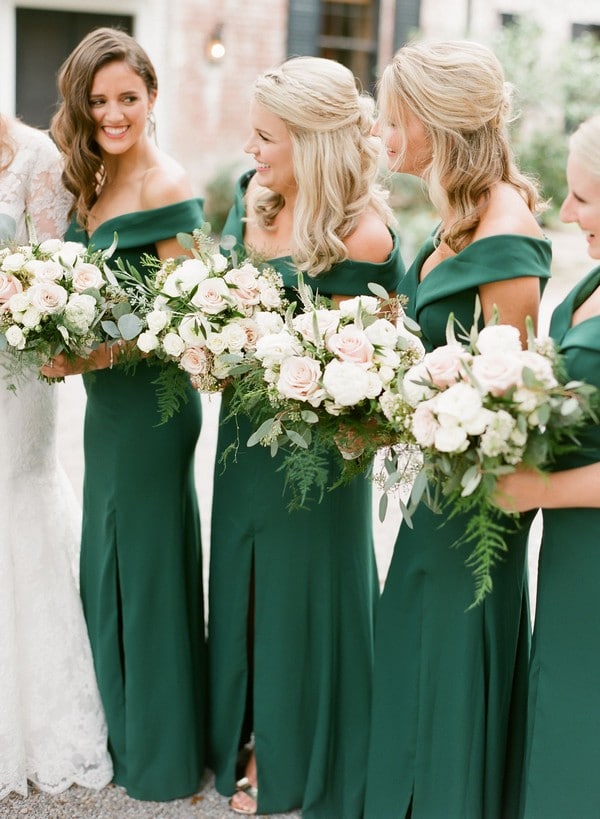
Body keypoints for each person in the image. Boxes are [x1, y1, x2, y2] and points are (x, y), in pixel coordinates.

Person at [207, 56, 404, 817]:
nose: (252, 152)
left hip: (318, 452)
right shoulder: (254, 197)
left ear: (315, 144)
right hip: (242, 434)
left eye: (266, 138)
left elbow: (381, 368)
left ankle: (298, 754)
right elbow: (226, 294)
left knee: (301, 598)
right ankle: (244, 734)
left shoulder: (365, 235)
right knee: (245, 583)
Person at [363, 40, 552, 819]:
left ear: (435, 120)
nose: (381, 125)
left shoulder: (506, 236)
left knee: (450, 665)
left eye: (393, 110)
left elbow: (503, 398)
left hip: (472, 504)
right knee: (412, 645)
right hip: (430, 489)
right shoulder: (456, 215)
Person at [40, 28, 206, 801]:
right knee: (108, 562)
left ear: (152, 98)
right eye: (99, 100)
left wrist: (87, 354)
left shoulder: (166, 185)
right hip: (107, 412)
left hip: (150, 408)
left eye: (127, 99)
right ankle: (120, 724)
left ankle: (161, 753)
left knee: (145, 570)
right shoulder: (93, 178)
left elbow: (186, 318)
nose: (113, 113)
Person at [0, 114, 113, 798]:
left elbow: (53, 274)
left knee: (18, 488)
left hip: (15, 370)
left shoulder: (37, 157)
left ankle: (43, 716)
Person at [493, 114, 600, 818]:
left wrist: (536, 486)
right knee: (563, 709)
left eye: (583, 197)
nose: (564, 212)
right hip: (571, 557)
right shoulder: (591, 275)